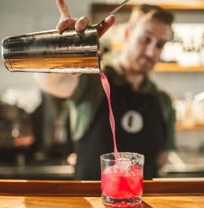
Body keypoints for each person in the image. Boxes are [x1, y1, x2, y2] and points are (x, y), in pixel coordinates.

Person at [36, 0, 176, 180]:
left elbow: (163, 157)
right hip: (91, 204)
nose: (151, 52)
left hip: (142, 203)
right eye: (145, 39)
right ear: (127, 34)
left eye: (160, 45)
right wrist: (65, 49)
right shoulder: (94, 79)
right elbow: (50, 81)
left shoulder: (162, 99)